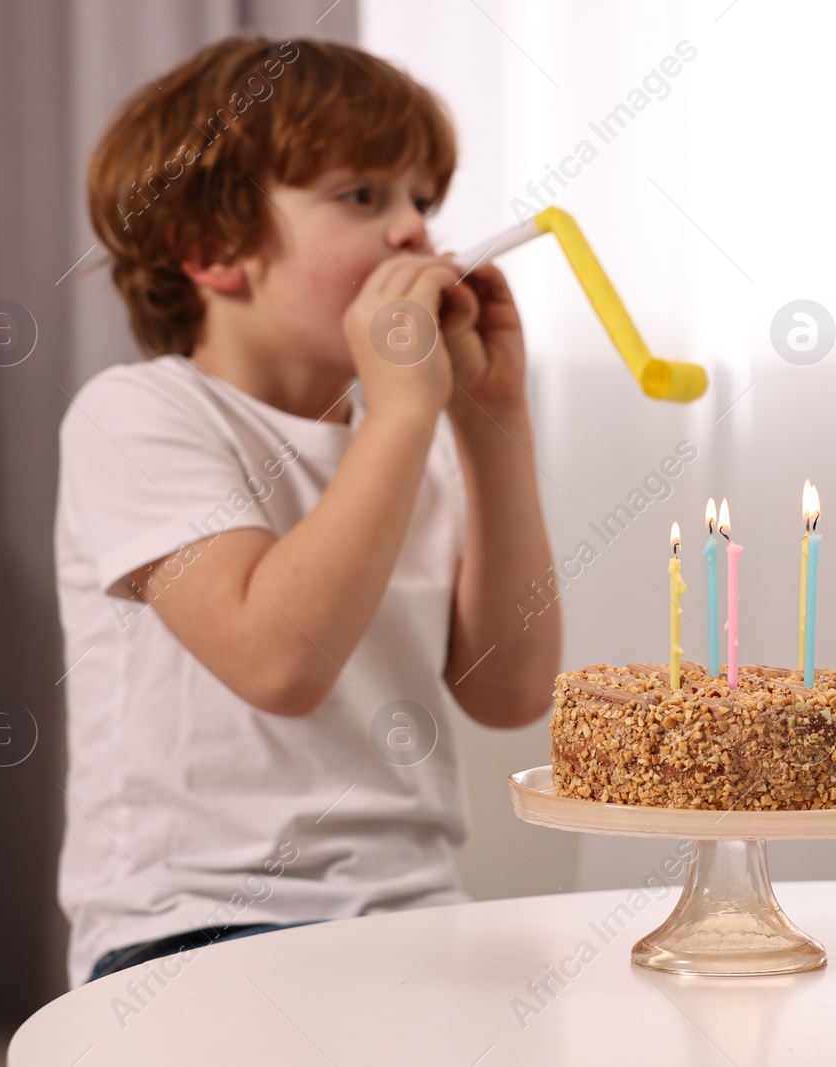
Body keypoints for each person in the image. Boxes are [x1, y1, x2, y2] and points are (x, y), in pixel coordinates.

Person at [53, 35, 562, 987]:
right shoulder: (138, 415)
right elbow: (276, 661)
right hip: (194, 926)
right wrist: (408, 413)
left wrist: (492, 417)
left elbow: (513, 689)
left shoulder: (407, 447)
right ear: (211, 250)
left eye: (423, 198)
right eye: (362, 195)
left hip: (411, 908)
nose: (414, 232)